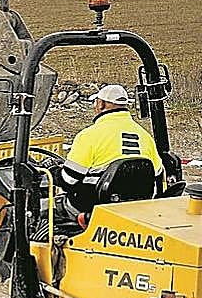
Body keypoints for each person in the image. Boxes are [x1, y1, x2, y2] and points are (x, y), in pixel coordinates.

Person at [59, 84, 164, 213]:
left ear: (101, 104)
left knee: (50, 207)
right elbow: (158, 173)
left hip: (94, 207)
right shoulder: (145, 136)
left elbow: (69, 180)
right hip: (136, 208)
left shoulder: (89, 135)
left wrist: (55, 173)